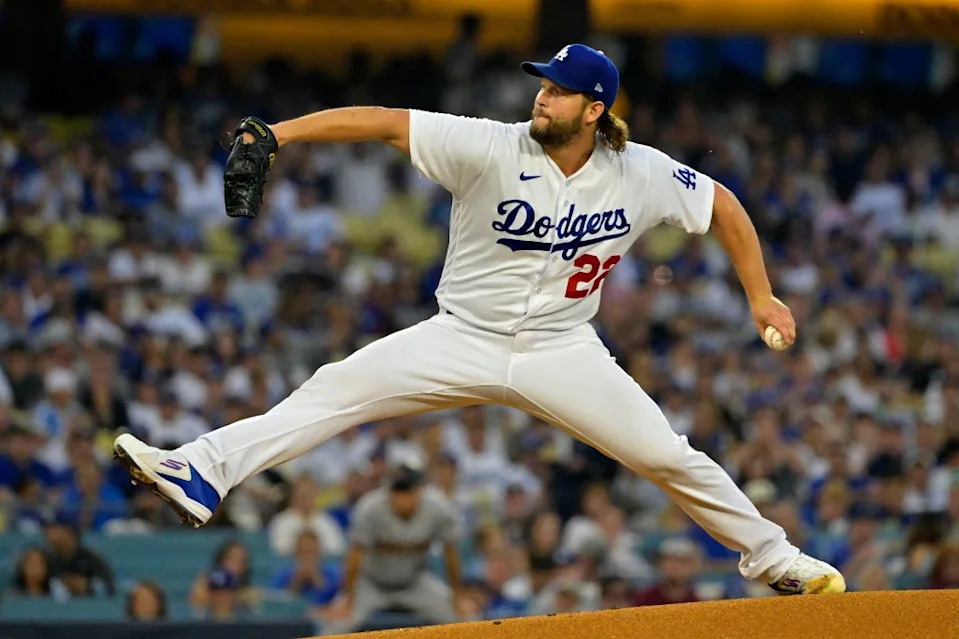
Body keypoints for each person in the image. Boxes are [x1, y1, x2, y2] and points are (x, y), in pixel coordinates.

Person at [113, 43, 844, 597]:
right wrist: (280, 132)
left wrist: (759, 293)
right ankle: (201, 469)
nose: (542, 97)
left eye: (559, 91)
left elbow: (720, 202)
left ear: (594, 110)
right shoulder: (490, 144)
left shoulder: (640, 170)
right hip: (459, 335)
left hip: (561, 348)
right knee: (330, 391)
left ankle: (774, 557)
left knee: (664, 455)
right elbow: (382, 123)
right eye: (543, 85)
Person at [322, 459, 465, 632]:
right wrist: (347, 598)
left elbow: (450, 553)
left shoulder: (437, 507)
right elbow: (353, 557)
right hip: (371, 584)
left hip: (415, 583)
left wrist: (457, 597)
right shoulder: (370, 507)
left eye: (406, 491)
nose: (401, 497)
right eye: (396, 491)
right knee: (335, 625)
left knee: (465, 619)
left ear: (419, 490)